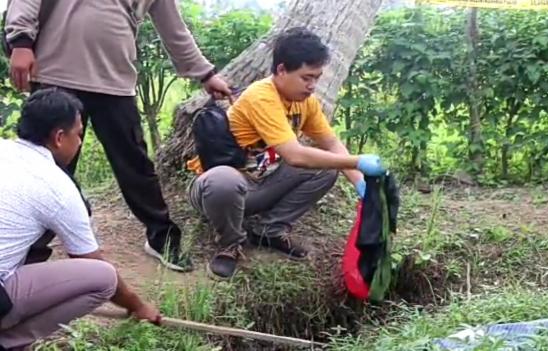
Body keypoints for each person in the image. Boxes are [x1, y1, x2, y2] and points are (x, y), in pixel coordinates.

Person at [3, 0, 233, 272]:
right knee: (43, 170)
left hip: (114, 81)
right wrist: (20, 41)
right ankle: (25, 252)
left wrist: (206, 75)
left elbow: (173, 28)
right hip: (56, 74)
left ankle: (162, 239)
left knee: (135, 165)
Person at [186, 27, 387, 280]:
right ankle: (230, 243)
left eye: (317, 77)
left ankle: (269, 230)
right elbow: (295, 155)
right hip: (218, 193)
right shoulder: (261, 96)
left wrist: (361, 183)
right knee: (222, 180)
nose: (312, 85)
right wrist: (358, 161)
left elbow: (331, 143)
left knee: (326, 169)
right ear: (281, 70)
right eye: (306, 77)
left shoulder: (306, 102)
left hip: (262, 185)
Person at [0, 89, 160, 351]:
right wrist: (138, 305)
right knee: (103, 278)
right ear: (59, 137)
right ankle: (10, 342)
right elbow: (91, 261)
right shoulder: (57, 185)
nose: (79, 142)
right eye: (79, 134)